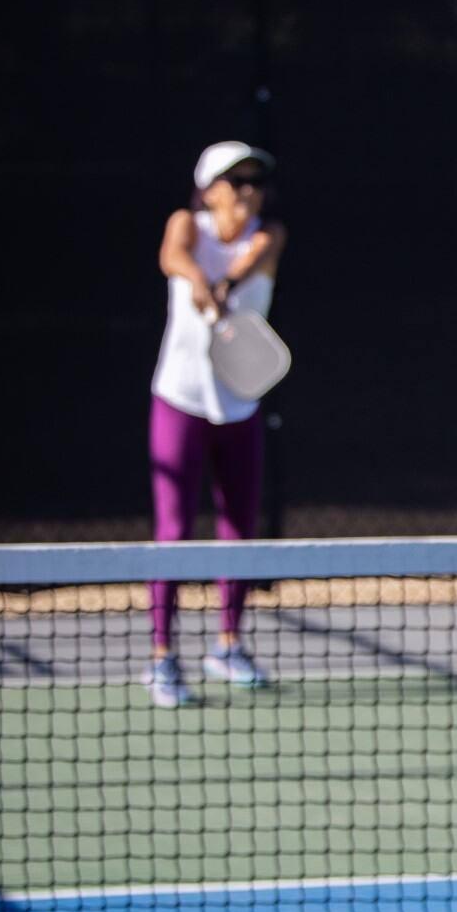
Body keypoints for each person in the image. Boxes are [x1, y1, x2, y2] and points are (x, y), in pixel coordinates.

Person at [146, 140, 287, 707]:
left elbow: (254, 256)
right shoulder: (186, 224)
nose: (249, 191)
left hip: (240, 405)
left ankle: (227, 644)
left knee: (240, 529)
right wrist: (198, 283)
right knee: (173, 533)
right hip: (178, 400)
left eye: (255, 181)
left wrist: (223, 287)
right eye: (237, 181)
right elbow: (173, 257)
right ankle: (161, 657)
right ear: (209, 188)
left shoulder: (267, 235)